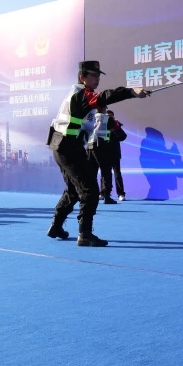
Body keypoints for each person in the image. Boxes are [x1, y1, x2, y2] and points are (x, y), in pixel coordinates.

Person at [46, 60, 150, 246]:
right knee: (90, 190)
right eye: (93, 75)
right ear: (82, 77)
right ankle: (84, 234)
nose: (97, 79)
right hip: (68, 147)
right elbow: (105, 96)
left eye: (98, 76)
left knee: (73, 190)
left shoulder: (76, 93)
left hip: (61, 146)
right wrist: (131, 92)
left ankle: (56, 226)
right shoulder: (82, 94)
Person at [86, 104, 116, 204]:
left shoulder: (90, 117)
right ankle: (106, 196)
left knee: (92, 172)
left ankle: (91, 195)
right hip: (101, 146)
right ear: (103, 108)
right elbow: (115, 127)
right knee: (106, 171)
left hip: (90, 145)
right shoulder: (107, 118)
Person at [101, 109, 127, 202]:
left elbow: (123, 137)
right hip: (104, 153)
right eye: (107, 116)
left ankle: (121, 194)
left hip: (115, 153)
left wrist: (116, 128)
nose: (109, 118)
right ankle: (103, 193)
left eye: (111, 116)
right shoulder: (101, 125)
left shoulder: (116, 126)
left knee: (117, 174)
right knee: (104, 174)